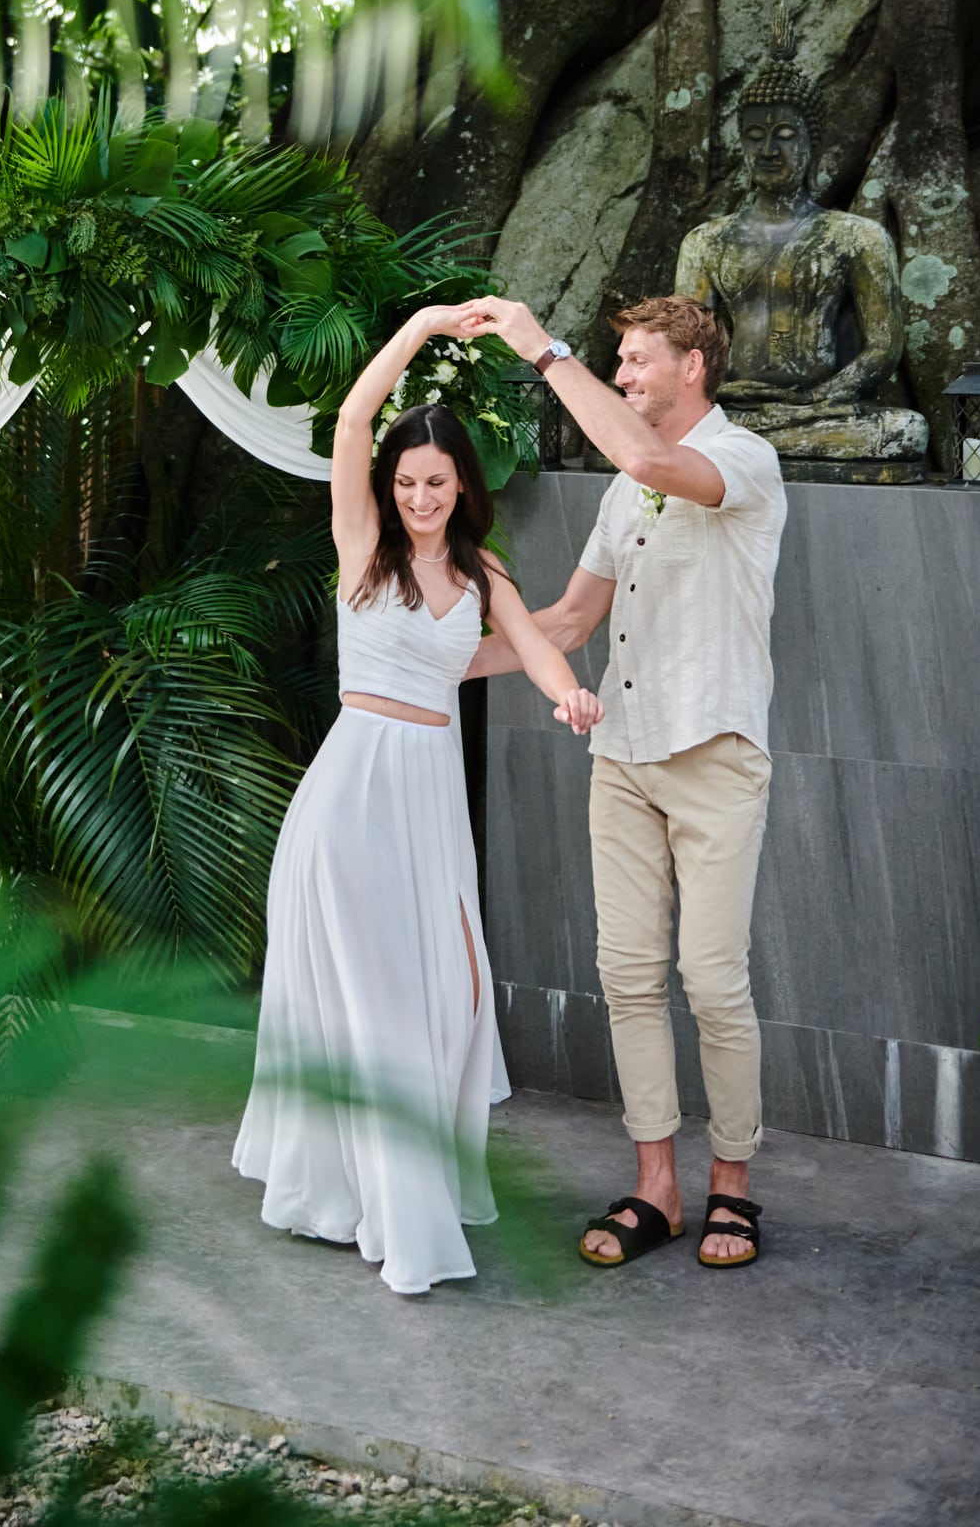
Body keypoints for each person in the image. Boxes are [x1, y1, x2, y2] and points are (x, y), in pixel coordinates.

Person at [232, 304, 603, 1296]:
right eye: (407, 482)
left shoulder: (481, 572)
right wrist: (427, 326)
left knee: (452, 1001)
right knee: (383, 1012)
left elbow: (531, 643)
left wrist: (568, 692)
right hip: (351, 803)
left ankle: (387, 1187)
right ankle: (400, 1225)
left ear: (461, 486)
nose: (420, 496)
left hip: (430, 809)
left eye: (436, 481)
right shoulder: (363, 549)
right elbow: (352, 424)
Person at [458, 291, 786, 1271]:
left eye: (640, 360)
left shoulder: (743, 462)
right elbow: (562, 625)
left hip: (717, 759)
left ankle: (734, 1186)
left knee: (714, 982)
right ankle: (658, 1186)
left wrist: (541, 347)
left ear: (695, 366)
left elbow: (647, 459)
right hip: (623, 762)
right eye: (620, 362)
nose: (627, 374)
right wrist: (416, 667)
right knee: (627, 976)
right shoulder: (622, 491)